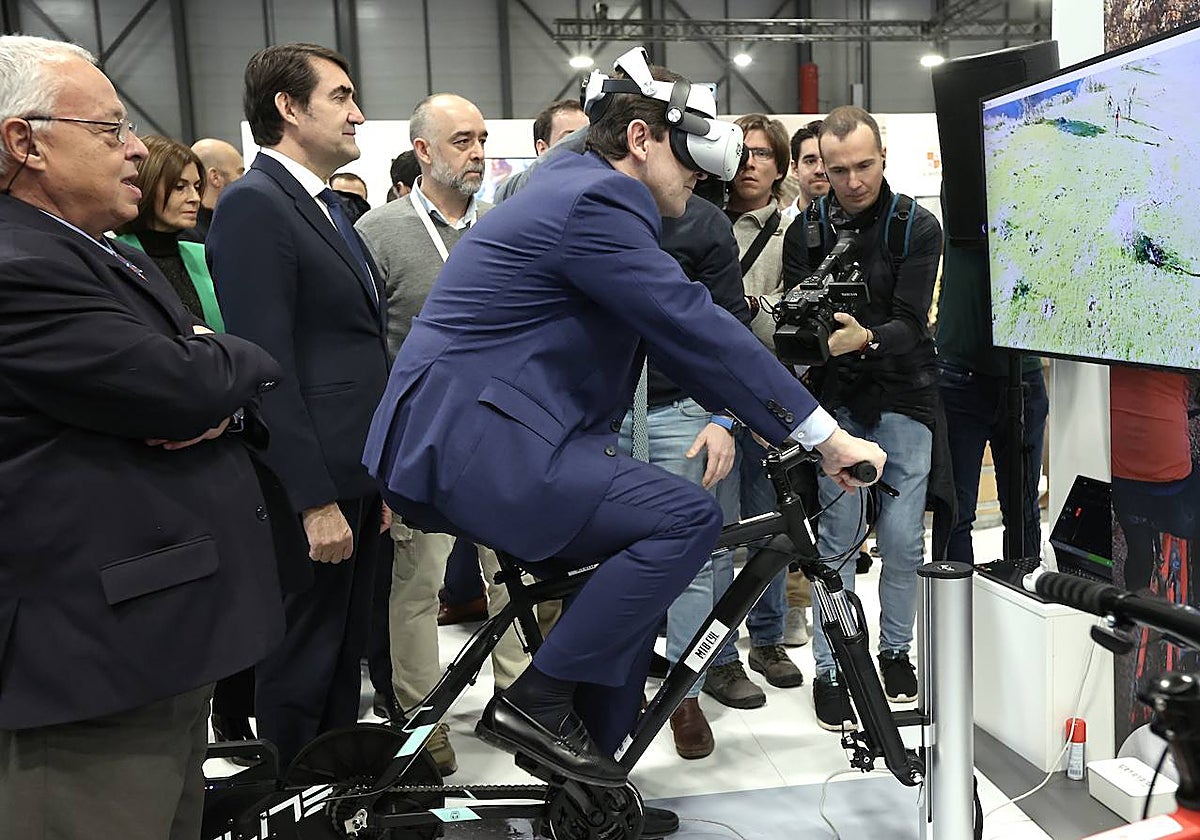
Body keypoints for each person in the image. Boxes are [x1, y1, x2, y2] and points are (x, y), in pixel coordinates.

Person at [364, 47, 884, 791]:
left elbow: (681, 338)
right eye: (688, 158)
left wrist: (752, 417)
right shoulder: (598, 200)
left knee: (629, 594)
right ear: (639, 139)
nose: (700, 177)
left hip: (486, 435)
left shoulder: (571, 180)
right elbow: (691, 325)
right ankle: (538, 701)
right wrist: (824, 437)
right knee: (684, 518)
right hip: (479, 443)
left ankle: (595, 791)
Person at [0, 35, 283, 840]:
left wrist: (213, 380)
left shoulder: (91, 251)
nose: (135, 149)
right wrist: (231, 361)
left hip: (152, 643)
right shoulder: (19, 262)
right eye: (110, 129)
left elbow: (193, 381)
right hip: (91, 664)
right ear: (25, 142)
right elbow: (182, 385)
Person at [206, 42, 390, 769]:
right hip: (309, 485)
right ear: (287, 107)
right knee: (303, 661)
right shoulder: (256, 204)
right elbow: (266, 369)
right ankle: (288, 800)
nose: (358, 113)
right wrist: (313, 501)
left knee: (342, 654)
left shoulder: (324, 205)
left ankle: (333, 793)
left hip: (353, 475)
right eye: (341, 96)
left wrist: (373, 479)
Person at [356, 92, 527, 775]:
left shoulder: (504, 228)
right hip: (422, 446)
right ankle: (422, 720)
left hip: (503, 442)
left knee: (513, 579)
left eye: (482, 139)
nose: (478, 152)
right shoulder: (378, 233)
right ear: (422, 151)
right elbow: (369, 350)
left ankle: (520, 705)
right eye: (462, 140)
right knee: (417, 586)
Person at [781, 106, 942, 731]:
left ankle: (895, 650)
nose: (852, 181)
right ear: (820, 164)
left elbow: (912, 323)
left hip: (905, 394)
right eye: (838, 169)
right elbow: (800, 322)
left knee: (902, 541)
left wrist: (865, 338)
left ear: (883, 159)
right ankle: (832, 667)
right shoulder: (806, 231)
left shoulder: (915, 226)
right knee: (837, 543)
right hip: (834, 402)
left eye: (864, 166)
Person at [699, 113, 805, 712]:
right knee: (717, 534)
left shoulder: (793, 233)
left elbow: (791, 320)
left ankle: (767, 640)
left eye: (763, 153)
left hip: (769, 398)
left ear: (780, 166)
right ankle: (718, 658)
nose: (750, 163)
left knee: (772, 528)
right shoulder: (699, 221)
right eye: (741, 152)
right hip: (709, 396)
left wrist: (747, 311)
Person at [935, 233, 1048, 564]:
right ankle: (957, 598)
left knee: (1022, 510)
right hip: (962, 371)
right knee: (956, 511)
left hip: (1021, 372)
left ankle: (1023, 587)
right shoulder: (963, 204)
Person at [114, 135, 223, 330]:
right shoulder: (115, 256)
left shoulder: (203, 255)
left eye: (197, 187)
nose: (195, 198)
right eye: (180, 187)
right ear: (146, 186)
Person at [188, 137, 244, 241]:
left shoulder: (228, 224)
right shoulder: (191, 238)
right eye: (240, 172)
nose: (245, 180)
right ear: (215, 177)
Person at [781, 119, 828, 221]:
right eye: (810, 161)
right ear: (795, 169)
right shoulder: (777, 227)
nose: (819, 170)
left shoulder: (856, 226)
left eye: (826, 160)